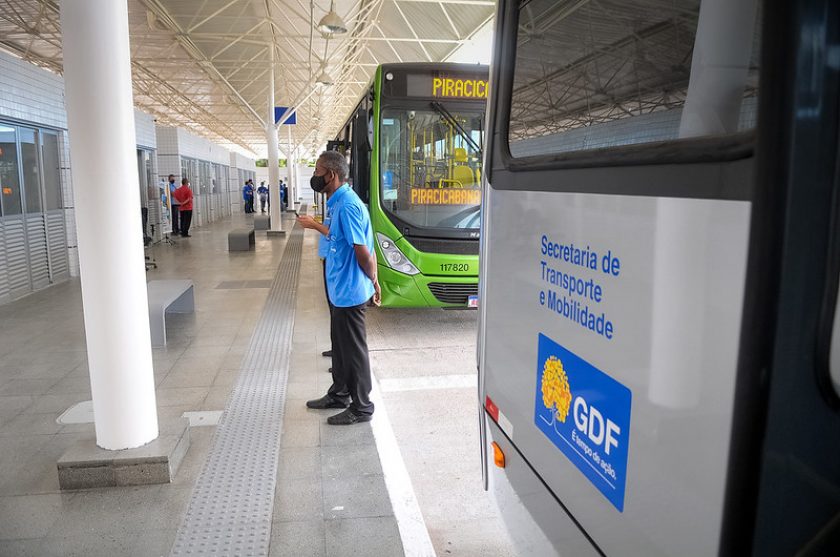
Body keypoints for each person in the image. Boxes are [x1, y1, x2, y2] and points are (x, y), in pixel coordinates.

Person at [298, 151, 381, 425]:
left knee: (354, 351)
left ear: (331, 175)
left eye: (318, 171)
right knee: (341, 347)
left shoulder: (347, 205)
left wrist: (374, 280)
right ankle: (339, 393)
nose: (315, 177)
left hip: (350, 290)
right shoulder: (338, 202)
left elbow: (363, 249)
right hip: (339, 288)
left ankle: (362, 407)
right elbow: (337, 236)